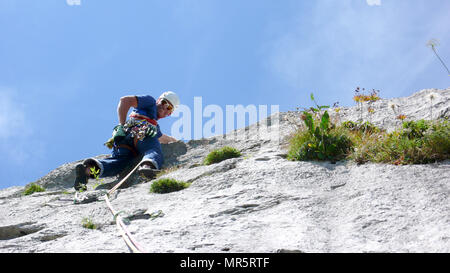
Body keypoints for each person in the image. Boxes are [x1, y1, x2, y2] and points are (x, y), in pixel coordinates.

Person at [73, 91, 180, 191]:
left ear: (169, 114)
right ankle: (147, 167)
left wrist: (177, 141)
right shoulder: (150, 102)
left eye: (169, 108)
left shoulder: (155, 125)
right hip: (139, 131)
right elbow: (125, 100)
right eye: (164, 102)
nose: (164, 107)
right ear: (158, 100)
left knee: (118, 163)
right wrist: (121, 124)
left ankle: (87, 170)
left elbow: (164, 138)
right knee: (153, 149)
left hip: (124, 139)